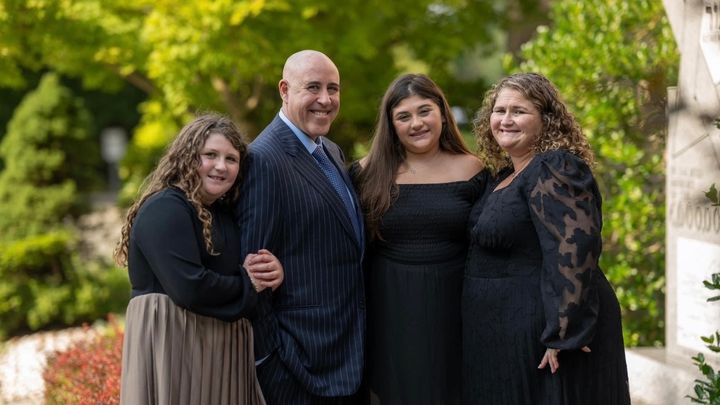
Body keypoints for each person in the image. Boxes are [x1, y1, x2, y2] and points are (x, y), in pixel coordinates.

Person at [462, 72, 631, 404]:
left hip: (543, 334)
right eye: (499, 110)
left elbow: (574, 247)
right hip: (504, 332)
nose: (505, 120)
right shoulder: (506, 175)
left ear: (546, 120)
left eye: (519, 111)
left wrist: (564, 332)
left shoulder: (556, 167)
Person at [114, 113, 283, 405]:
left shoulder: (224, 216)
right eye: (210, 155)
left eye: (231, 159)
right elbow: (189, 287)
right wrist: (250, 283)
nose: (221, 166)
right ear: (188, 157)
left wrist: (271, 271)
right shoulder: (165, 207)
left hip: (217, 348)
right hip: (173, 346)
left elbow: (240, 275)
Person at [236, 50, 365, 404]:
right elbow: (255, 272)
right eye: (313, 87)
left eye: (333, 89)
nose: (325, 99)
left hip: (347, 357)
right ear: (284, 90)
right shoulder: (263, 160)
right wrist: (272, 361)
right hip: (298, 368)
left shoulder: (331, 151)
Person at [351, 73, 485, 405]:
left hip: (456, 305)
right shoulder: (365, 173)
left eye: (424, 111)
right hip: (389, 306)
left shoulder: (475, 170)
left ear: (442, 113)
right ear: (391, 125)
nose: (417, 123)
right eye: (403, 116)